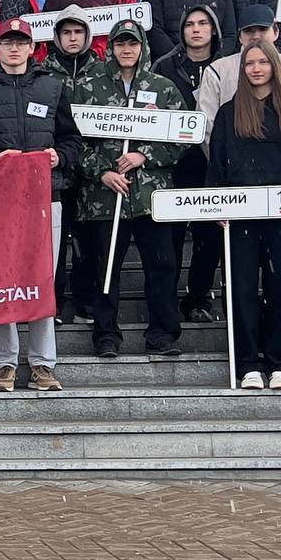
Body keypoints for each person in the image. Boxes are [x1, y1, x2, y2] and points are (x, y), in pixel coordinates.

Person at [0, 18, 80, 392]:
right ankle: (5, 363)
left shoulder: (52, 87)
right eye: (7, 42)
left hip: (46, 198)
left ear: (31, 47)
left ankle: (43, 364)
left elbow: (73, 141)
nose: (14, 48)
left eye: (20, 42)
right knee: (2, 281)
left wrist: (59, 157)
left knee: (42, 279)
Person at [71, 19, 190, 358]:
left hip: (151, 197)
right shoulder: (88, 87)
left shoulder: (163, 87)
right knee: (105, 268)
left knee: (162, 266)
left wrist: (145, 155)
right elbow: (74, 141)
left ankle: (162, 334)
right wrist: (102, 172)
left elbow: (184, 137)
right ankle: (106, 335)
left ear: (142, 46)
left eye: (132, 43)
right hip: (105, 198)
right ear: (111, 47)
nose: (127, 49)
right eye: (120, 43)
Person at [209, 43, 281, 390]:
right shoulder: (229, 112)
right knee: (241, 288)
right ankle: (248, 364)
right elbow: (217, 162)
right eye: (249, 63)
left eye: (262, 62)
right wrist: (217, 204)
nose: (256, 69)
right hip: (240, 213)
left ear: (274, 65)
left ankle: (280, 364)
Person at [156, 5, 229, 324]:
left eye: (203, 23)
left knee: (208, 238)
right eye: (189, 24)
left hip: (212, 163)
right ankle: (166, 300)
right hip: (174, 164)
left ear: (214, 30)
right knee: (170, 237)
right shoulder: (164, 66)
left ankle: (199, 297)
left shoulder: (226, 66)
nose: (196, 29)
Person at [196, 9, 281, 125]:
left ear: (276, 32)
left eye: (262, 29)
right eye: (248, 31)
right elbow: (206, 121)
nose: (256, 36)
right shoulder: (217, 70)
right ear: (240, 37)